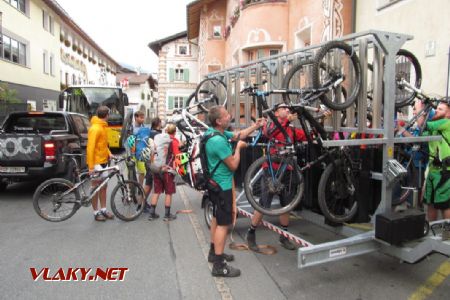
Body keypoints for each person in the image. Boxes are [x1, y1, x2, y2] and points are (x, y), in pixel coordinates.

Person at [205, 105, 265, 278]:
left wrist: (256, 126)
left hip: (214, 184)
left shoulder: (213, 133)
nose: (229, 116)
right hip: (222, 187)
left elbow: (239, 135)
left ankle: (213, 252)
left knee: (217, 219)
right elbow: (233, 165)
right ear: (218, 121)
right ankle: (218, 266)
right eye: (226, 115)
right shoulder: (218, 141)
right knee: (224, 225)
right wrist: (238, 148)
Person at [246, 103, 306, 251]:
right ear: (276, 113)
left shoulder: (290, 129)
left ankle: (284, 236)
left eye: (288, 109)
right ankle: (251, 233)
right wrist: (287, 120)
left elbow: (306, 135)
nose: (287, 110)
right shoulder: (272, 125)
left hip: (287, 171)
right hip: (271, 170)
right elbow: (268, 133)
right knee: (263, 205)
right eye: (284, 108)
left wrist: (321, 120)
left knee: (286, 206)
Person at [423, 100, 450, 221]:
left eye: (441, 109)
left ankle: (447, 236)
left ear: (448, 113)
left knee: (445, 205)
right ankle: (432, 232)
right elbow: (421, 133)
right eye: (437, 108)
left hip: (445, 172)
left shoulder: (447, 123)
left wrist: (420, 109)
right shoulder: (434, 126)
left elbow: (423, 125)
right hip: (433, 170)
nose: (437, 111)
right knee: (431, 203)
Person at [87, 106, 115, 221]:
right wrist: (91, 166)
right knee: (95, 188)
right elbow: (90, 148)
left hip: (104, 161)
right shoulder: (95, 128)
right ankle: (95, 212)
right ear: (107, 115)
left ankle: (103, 209)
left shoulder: (103, 127)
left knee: (103, 186)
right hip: (97, 163)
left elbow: (103, 144)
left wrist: (109, 153)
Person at [148, 123, 181, 221]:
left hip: (157, 168)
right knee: (168, 193)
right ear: (175, 132)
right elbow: (177, 155)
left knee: (157, 191)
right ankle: (167, 215)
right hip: (167, 170)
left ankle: (152, 214)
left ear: (166, 131)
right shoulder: (174, 141)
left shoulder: (159, 139)